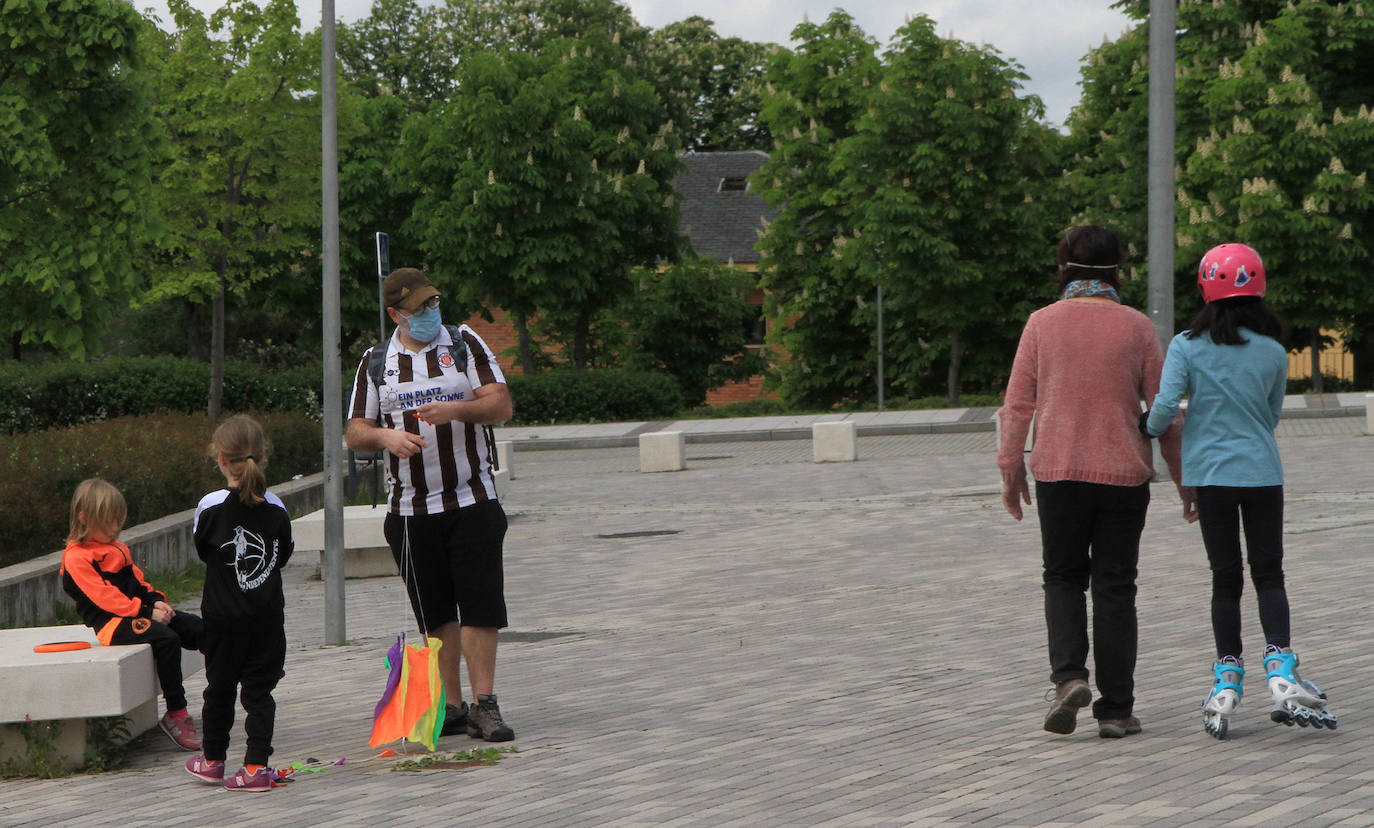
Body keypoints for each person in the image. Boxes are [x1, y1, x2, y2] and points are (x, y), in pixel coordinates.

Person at [998, 224, 1187, 739]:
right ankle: (1117, 710)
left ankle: (1069, 680)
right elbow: (1165, 411)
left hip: (1057, 472)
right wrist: (1183, 479)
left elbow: (1017, 404)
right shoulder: (1137, 327)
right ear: (1116, 270)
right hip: (1124, 476)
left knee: (1061, 578)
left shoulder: (1040, 324)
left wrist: (1011, 466)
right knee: (1115, 588)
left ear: (1064, 267)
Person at [1142, 243, 1336, 739]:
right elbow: (1271, 416)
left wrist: (1149, 427)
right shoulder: (1273, 350)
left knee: (1225, 577)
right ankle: (1281, 665)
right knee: (1269, 573)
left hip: (1210, 476)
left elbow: (1165, 406)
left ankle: (1228, 673)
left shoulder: (1187, 344)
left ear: (1207, 289)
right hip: (1263, 473)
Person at [345, 267, 517, 742]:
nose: (429, 312)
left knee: (482, 606)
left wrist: (457, 409)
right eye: (418, 307)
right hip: (410, 513)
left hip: (472, 501)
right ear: (395, 313)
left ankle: (486, 704)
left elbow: (501, 404)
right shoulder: (377, 362)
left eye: (432, 303)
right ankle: (452, 705)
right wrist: (384, 436)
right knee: (436, 614)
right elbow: (355, 431)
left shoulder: (463, 344)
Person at [184, 415, 294, 791]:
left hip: (222, 620)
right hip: (266, 619)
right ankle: (255, 768)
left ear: (220, 458)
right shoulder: (278, 508)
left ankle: (213, 760)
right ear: (263, 457)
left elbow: (203, 550)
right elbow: (282, 555)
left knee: (220, 689)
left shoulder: (210, 506)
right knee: (260, 694)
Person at [60, 478, 206, 750]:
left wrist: (156, 602)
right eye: (109, 522)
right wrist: (146, 611)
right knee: (167, 639)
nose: (116, 528)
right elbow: (104, 597)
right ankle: (176, 712)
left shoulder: (117, 547)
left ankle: (228, 684)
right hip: (112, 625)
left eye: (119, 521)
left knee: (197, 628)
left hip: (138, 613)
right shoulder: (76, 558)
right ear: (84, 518)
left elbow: (138, 583)